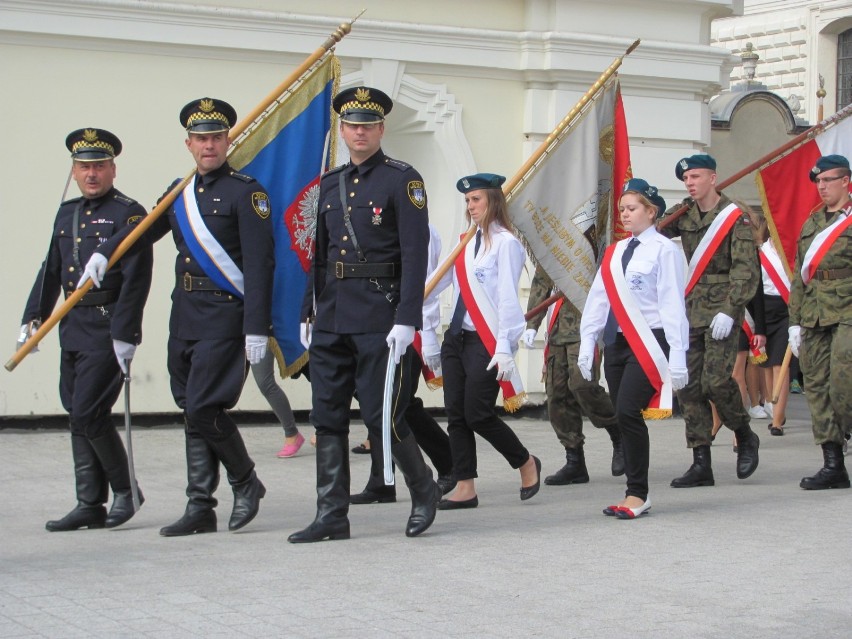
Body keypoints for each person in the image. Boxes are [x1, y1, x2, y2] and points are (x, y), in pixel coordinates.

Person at [81, 98, 274, 535]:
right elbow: (144, 229)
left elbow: (262, 265)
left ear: (229, 141)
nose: (209, 146)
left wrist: (257, 327)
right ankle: (200, 506)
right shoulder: (180, 190)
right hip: (185, 315)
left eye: (216, 138)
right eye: (201, 139)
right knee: (191, 410)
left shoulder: (248, 192)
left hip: (226, 316)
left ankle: (246, 482)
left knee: (206, 407)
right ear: (188, 144)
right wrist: (105, 252)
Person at [289, 86, 441, 543]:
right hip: (332, 315)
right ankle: (331, 514)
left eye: (368, 125)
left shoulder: (402, 179)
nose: (360, 132)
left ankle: (423, 488)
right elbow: (317, 253)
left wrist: (407, 318)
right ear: (343, 129)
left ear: (381, 129)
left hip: (380, 315)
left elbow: (415, 254)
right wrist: (308, 309)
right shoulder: (328, 184)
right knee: (327, 415)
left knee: (382, 416)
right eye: (352, 125)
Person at [20, 128, 152, 531]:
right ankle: (88, 502)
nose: (91, 174)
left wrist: (126, 333)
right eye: (84, 167)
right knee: (75, 412)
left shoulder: (130, 214)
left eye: (98, 166)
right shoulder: (68, 213)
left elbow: (136, 279)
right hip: (73, 328)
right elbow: (52, 269)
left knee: (89, 412)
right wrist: (34, 318)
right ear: (74, 171)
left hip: (108, 326)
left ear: (113, 168)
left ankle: (126, 491)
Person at [427, 173, 541, 510]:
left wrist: (505, 346)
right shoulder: (465, 240)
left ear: (493, 201)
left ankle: (524, 462)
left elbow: (508, 298)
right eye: (467, 201)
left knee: (477, 413)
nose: (470, 206)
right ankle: (465, 486)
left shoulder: (506, 243)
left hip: (486, 340)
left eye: (476, 199)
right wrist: (417, 321)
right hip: (456, 337)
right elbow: (439, 281)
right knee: (456, 414)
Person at [579, 179, 688, 518]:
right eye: (622, 209)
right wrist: (587, 343)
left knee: (627, 411)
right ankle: (634, 490)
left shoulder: (665, 250)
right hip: (617, 342)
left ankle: (637, 494)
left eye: (632, 208)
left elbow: (673, 305)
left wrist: (678, 355)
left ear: (651, 211)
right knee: (621, 412)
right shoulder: (615, 252)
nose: (624, 214)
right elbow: (599, 300)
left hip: (649, 342)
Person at [659, 154, 761, 488]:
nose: (690, 183)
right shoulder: (684, 215)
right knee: (688, 386)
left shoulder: (735, 218)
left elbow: (746, 271)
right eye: (686, 178)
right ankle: (701, 461)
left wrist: (730, 310)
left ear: (713, 178)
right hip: (690, 310)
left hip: (721, 311)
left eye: (696, 176)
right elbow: (653, 228)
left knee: (716, 382)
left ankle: (744, 434)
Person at [351, 222, 455, 504]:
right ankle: (382, 480)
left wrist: (428, 334)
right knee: (380, 404)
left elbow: (427, 284)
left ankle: (447, 461)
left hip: (408, 328)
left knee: (398, 406)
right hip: (372, 325)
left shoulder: (420, 229)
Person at [523, 265, 623, 485]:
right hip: (558, 327)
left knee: (582, 385)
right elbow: (542, 281)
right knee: (557, 395)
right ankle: (574, 460)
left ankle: (618, 434)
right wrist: (532, 324)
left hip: (587, 324)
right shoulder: (556, 238)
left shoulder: (597, 236)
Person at [788, 154, 852, 489]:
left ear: (845, 181)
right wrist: (793, 322)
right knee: (816, 388)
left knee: (843, 385)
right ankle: (833, 466)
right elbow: (799, 275)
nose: (822, 186)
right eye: (818, 181)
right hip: (813, 314)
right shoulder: (812, 224)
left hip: (848, 313)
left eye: (828, 180)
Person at [756, 232, 792, 436]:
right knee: (767, 364)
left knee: (781, 364)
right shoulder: (761, 252)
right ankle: (773, 403)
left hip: (786, 308)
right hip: (763, 308)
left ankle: (777, 421)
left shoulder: (792, 251)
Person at [249, 342, 304, 457]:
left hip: (260, 330)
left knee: (264, 382)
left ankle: (292, 433)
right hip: (230, 330)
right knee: (229, 382)